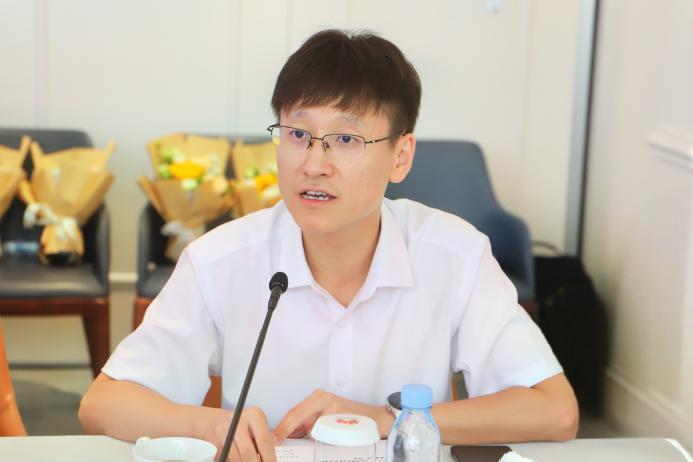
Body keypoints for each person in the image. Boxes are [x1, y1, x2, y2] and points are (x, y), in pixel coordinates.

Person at [79, 29, 578, 462]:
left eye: (345, 140)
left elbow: (555, 410)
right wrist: (210, 425)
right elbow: (103, 404)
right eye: (298, 133)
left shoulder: (454, 255)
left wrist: (382, 419)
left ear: (401, 156)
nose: (314, 164)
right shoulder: (220, 260)